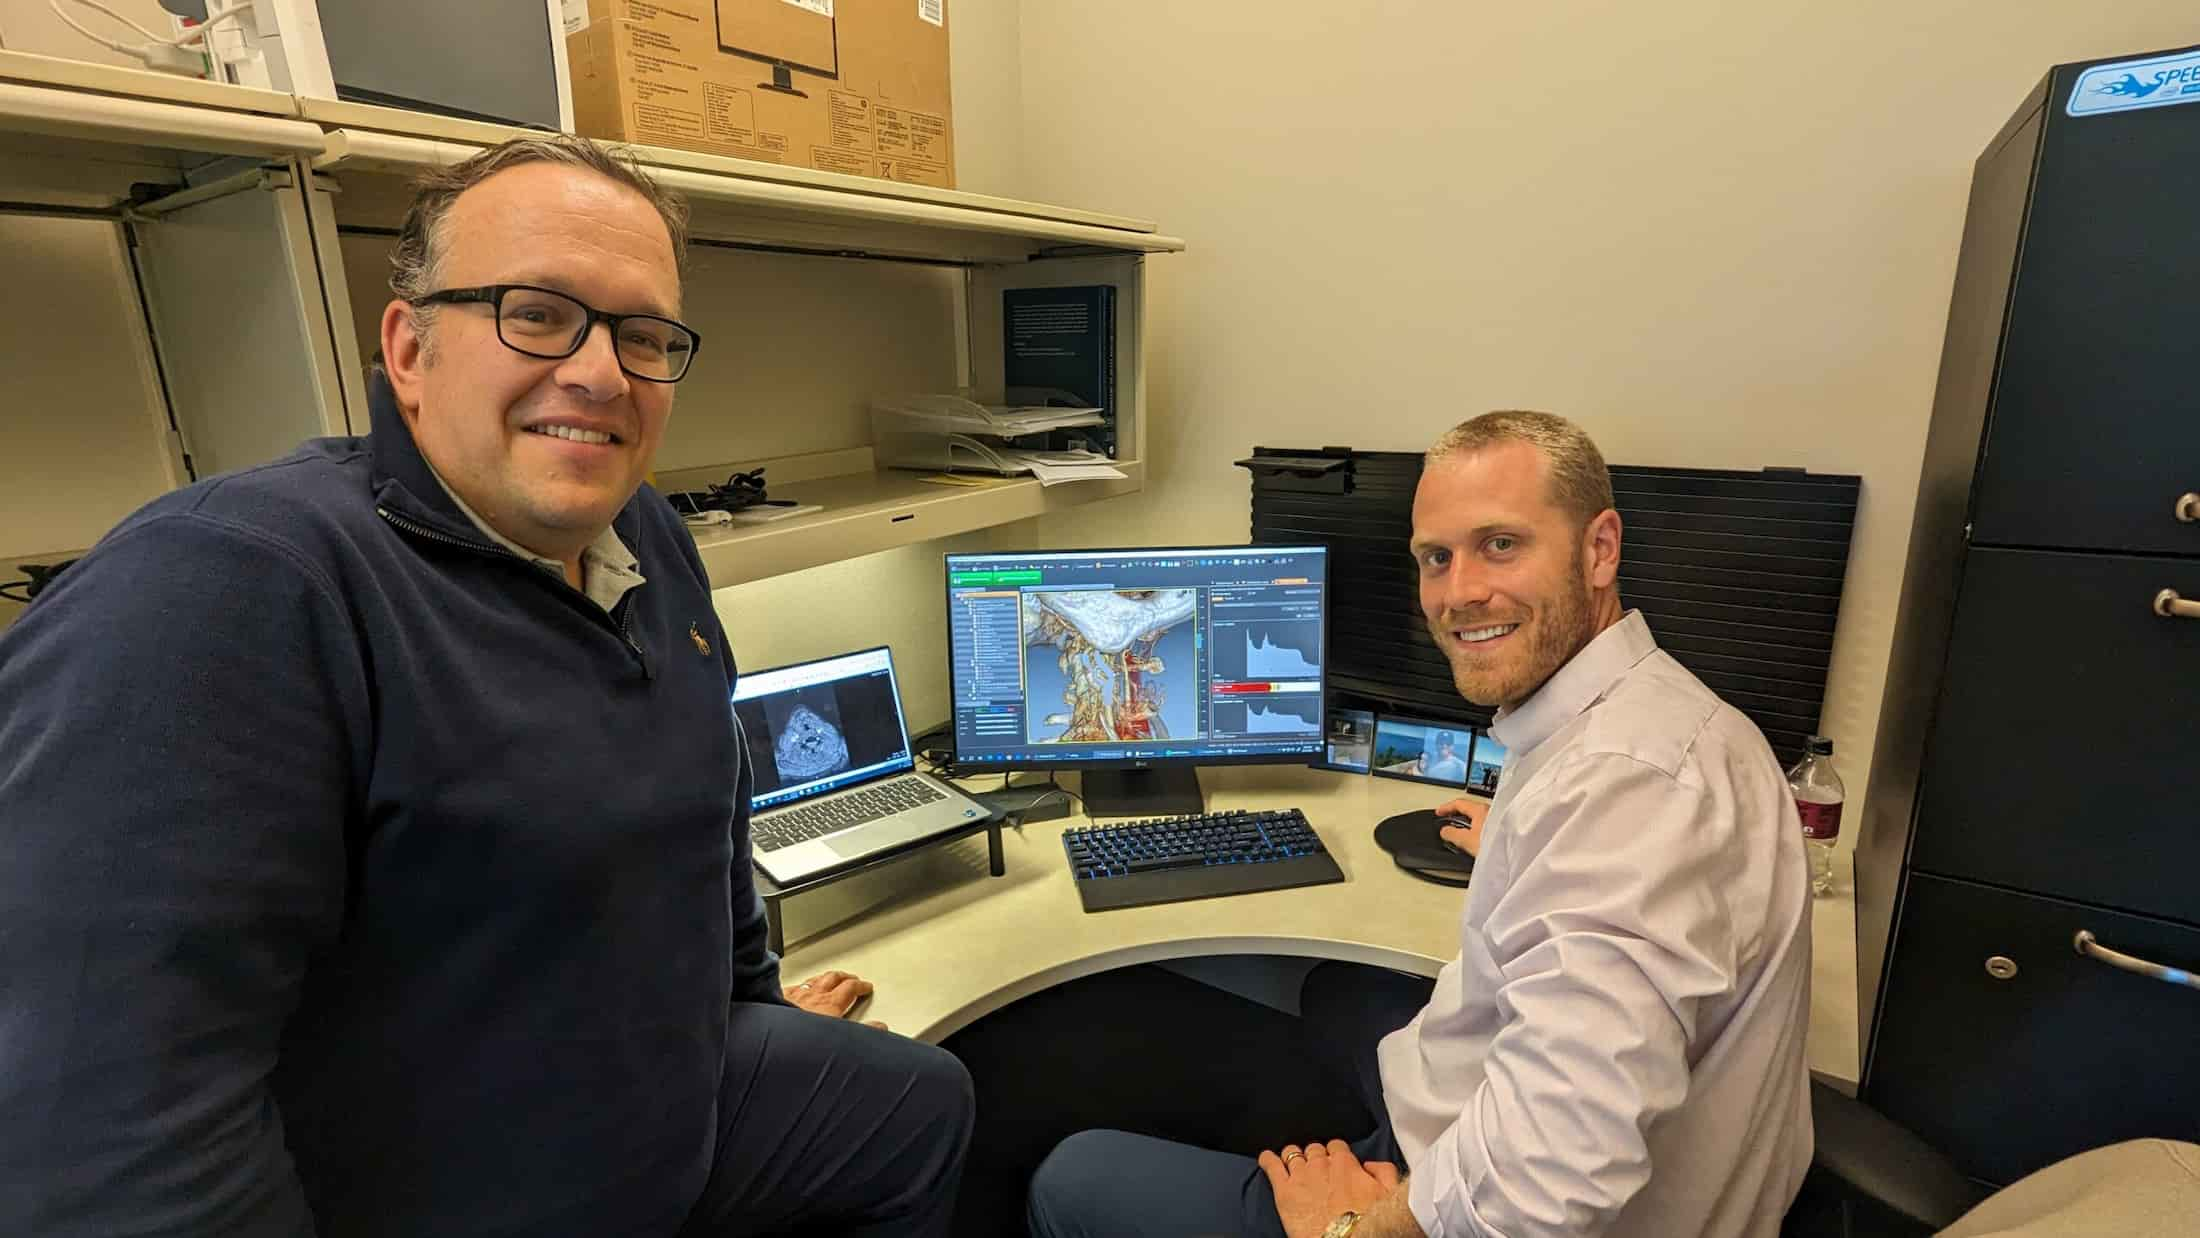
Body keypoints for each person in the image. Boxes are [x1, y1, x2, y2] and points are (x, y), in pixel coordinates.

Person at [0, 134, 972, 1236]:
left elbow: (702, 818)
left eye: (642, 334)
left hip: (657, 1115)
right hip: (460, 1192)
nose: (601, 371)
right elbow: (105, 1136)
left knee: (915, 1103)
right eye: (537, 312)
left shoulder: (642, 531)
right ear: (409, 348)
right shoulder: (225, 589)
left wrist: (741, 1007)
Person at [1028, 410, 1812, 1238]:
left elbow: (1552, 1172)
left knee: (1072, 1178)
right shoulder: (1670, 724)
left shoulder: (1628, 794)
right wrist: (1516, 836)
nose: (1460, 591)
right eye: (1437, 557)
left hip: (1525, 1214)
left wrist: (1348, 1225)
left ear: (1600, 549)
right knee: (1342, 991)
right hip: (1607, 1151)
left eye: (1501, 544)